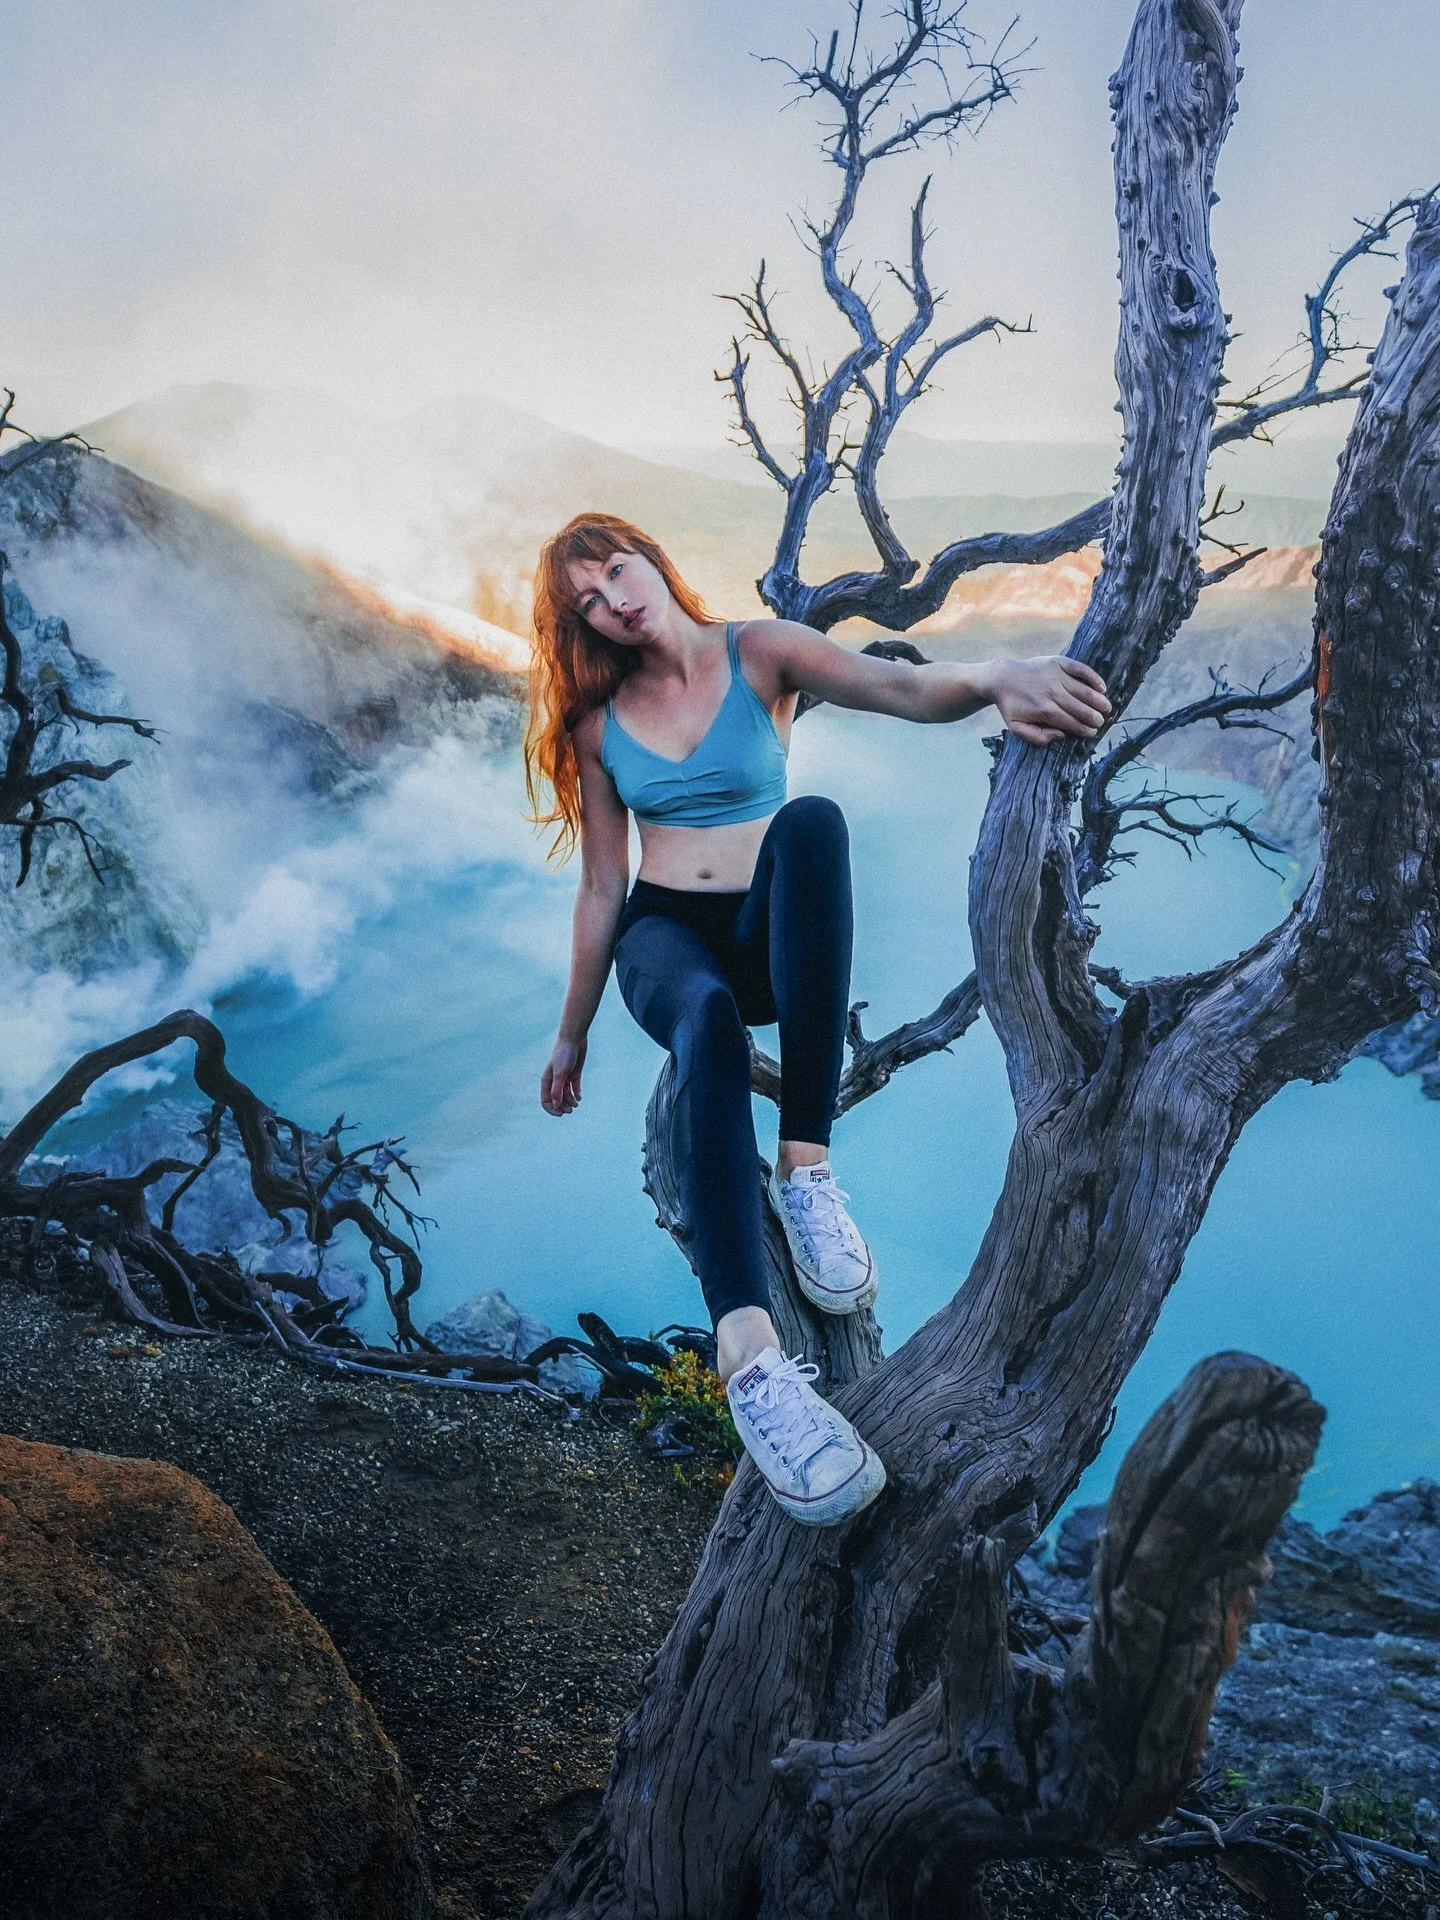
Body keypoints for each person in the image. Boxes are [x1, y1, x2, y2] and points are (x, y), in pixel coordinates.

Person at [525, 512, 1110, 1527]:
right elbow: (601, 889)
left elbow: (903, 688)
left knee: (812, 822)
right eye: (590, 601)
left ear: (653, 558)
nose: (615, 601)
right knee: (706, 1019)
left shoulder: (762, 652)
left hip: (765, 935)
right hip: (664, 941)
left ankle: (806, 1169)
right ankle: (750, 1356)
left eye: (618, 570)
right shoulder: (598, 725)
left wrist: (996, 677)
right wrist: (571, 1032)